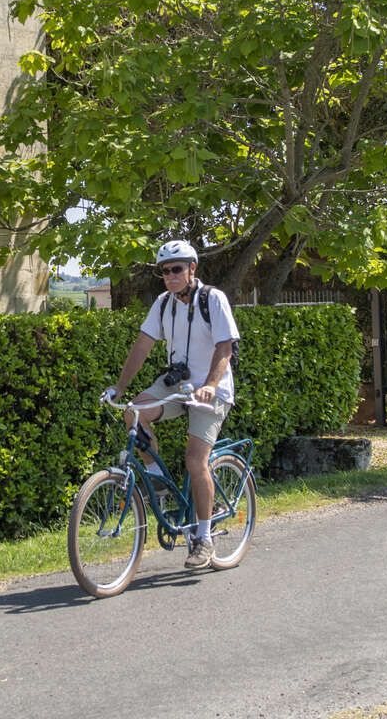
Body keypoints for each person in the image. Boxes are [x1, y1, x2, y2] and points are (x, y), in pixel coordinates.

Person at [102, 240, 238, 570]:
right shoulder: (164, 304)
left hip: (211, 390)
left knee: (195, 460)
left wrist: (209, 385)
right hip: (176, 384)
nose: (170, 275)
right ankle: (156, 479)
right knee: (134, 412)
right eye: (165, 271)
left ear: (192, 269)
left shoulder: (213, 299)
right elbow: (142, 346)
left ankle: (203, 538)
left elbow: (225, 348)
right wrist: (119, 388)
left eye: (177, 269)